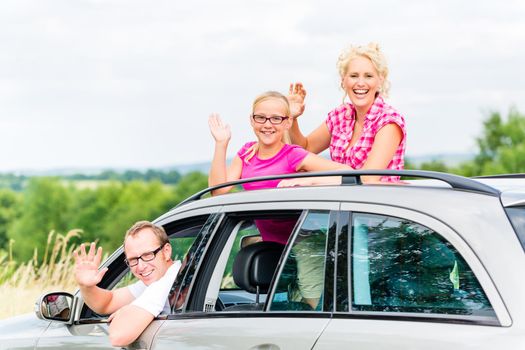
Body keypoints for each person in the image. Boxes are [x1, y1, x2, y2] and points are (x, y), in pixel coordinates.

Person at [208, 90, 350, 243]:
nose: (267, 125)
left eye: (276, 118)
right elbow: (218, 191)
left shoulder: (293, 155)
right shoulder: (246, 154)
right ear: (252, 120)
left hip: (307, 246)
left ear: (287, 122)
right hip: (273, 247)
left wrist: (308, 181)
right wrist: (221, 144)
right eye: (261, 118)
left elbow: (348, 173)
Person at [287, 42, 406, 183]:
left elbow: (367, 179)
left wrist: (313, 180)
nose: (360, 83)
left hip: (378, 203)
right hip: (341, 202)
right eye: (354, 76)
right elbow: (305, 149)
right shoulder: (340, 116)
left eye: (368, 76)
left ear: (380, 81)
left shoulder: (388, 120)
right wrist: (292, 118)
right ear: (343, 81)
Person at [73, 221, 181, 347]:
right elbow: (107, 302)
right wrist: (86, 286)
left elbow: (118, 337)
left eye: (147, 255)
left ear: (166, 251)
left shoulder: (165, 283)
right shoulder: (159, 278)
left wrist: (125, 311)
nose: (141, 267)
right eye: (133, 260)